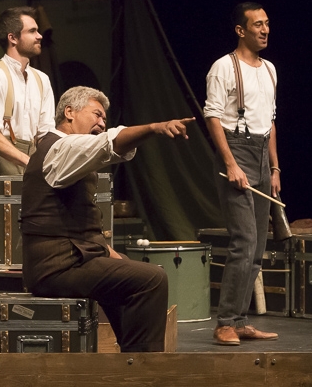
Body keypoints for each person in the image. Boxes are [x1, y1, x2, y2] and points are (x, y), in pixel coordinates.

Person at [21, 86, 188, 352]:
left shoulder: (69, 153)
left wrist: (108, 252)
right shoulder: (60, 148)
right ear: (69, 112)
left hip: (69, 259)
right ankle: (142, 363)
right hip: (55, 267)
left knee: (126, 268)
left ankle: (131, 353)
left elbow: (76, 224)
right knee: (152, 278)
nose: (101, 123)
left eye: (104, 119)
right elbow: (109, 143)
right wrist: (154, 127)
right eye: (96, 114)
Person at [204, 2, 280, 346]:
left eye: (267, 24)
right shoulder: (223, 67)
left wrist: (274, 167)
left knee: (258, 245)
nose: (265, 30)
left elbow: (271, 122)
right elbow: (213, 117)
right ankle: (224, 322)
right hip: (236, 151)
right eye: (257, 25)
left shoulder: (270, 69)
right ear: (240, 30)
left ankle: (240, 320)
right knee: (244, 241)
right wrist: (231, 163)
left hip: (261, 154)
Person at [0, 7, 55, 269]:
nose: (39, 36)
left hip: (35, 156)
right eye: (32, 31)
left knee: (34, 242)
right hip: (2, 158)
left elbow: (46, 132)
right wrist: (28, 162)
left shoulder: (41, 80)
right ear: (13, 38)